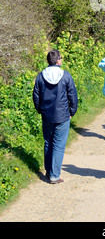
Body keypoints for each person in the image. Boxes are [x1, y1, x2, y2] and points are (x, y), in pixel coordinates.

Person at [33, 50, 78, 184]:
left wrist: (40, 110)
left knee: (48, 142)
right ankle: (54, 175)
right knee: (58, 145)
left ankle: (48, 172)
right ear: (58, 60)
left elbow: (36, 96)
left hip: (47, 115)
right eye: (61, 58)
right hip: (62, 115)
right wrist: (72, 111)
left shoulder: (41, 76)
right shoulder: (65, 76)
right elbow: (72, 96)